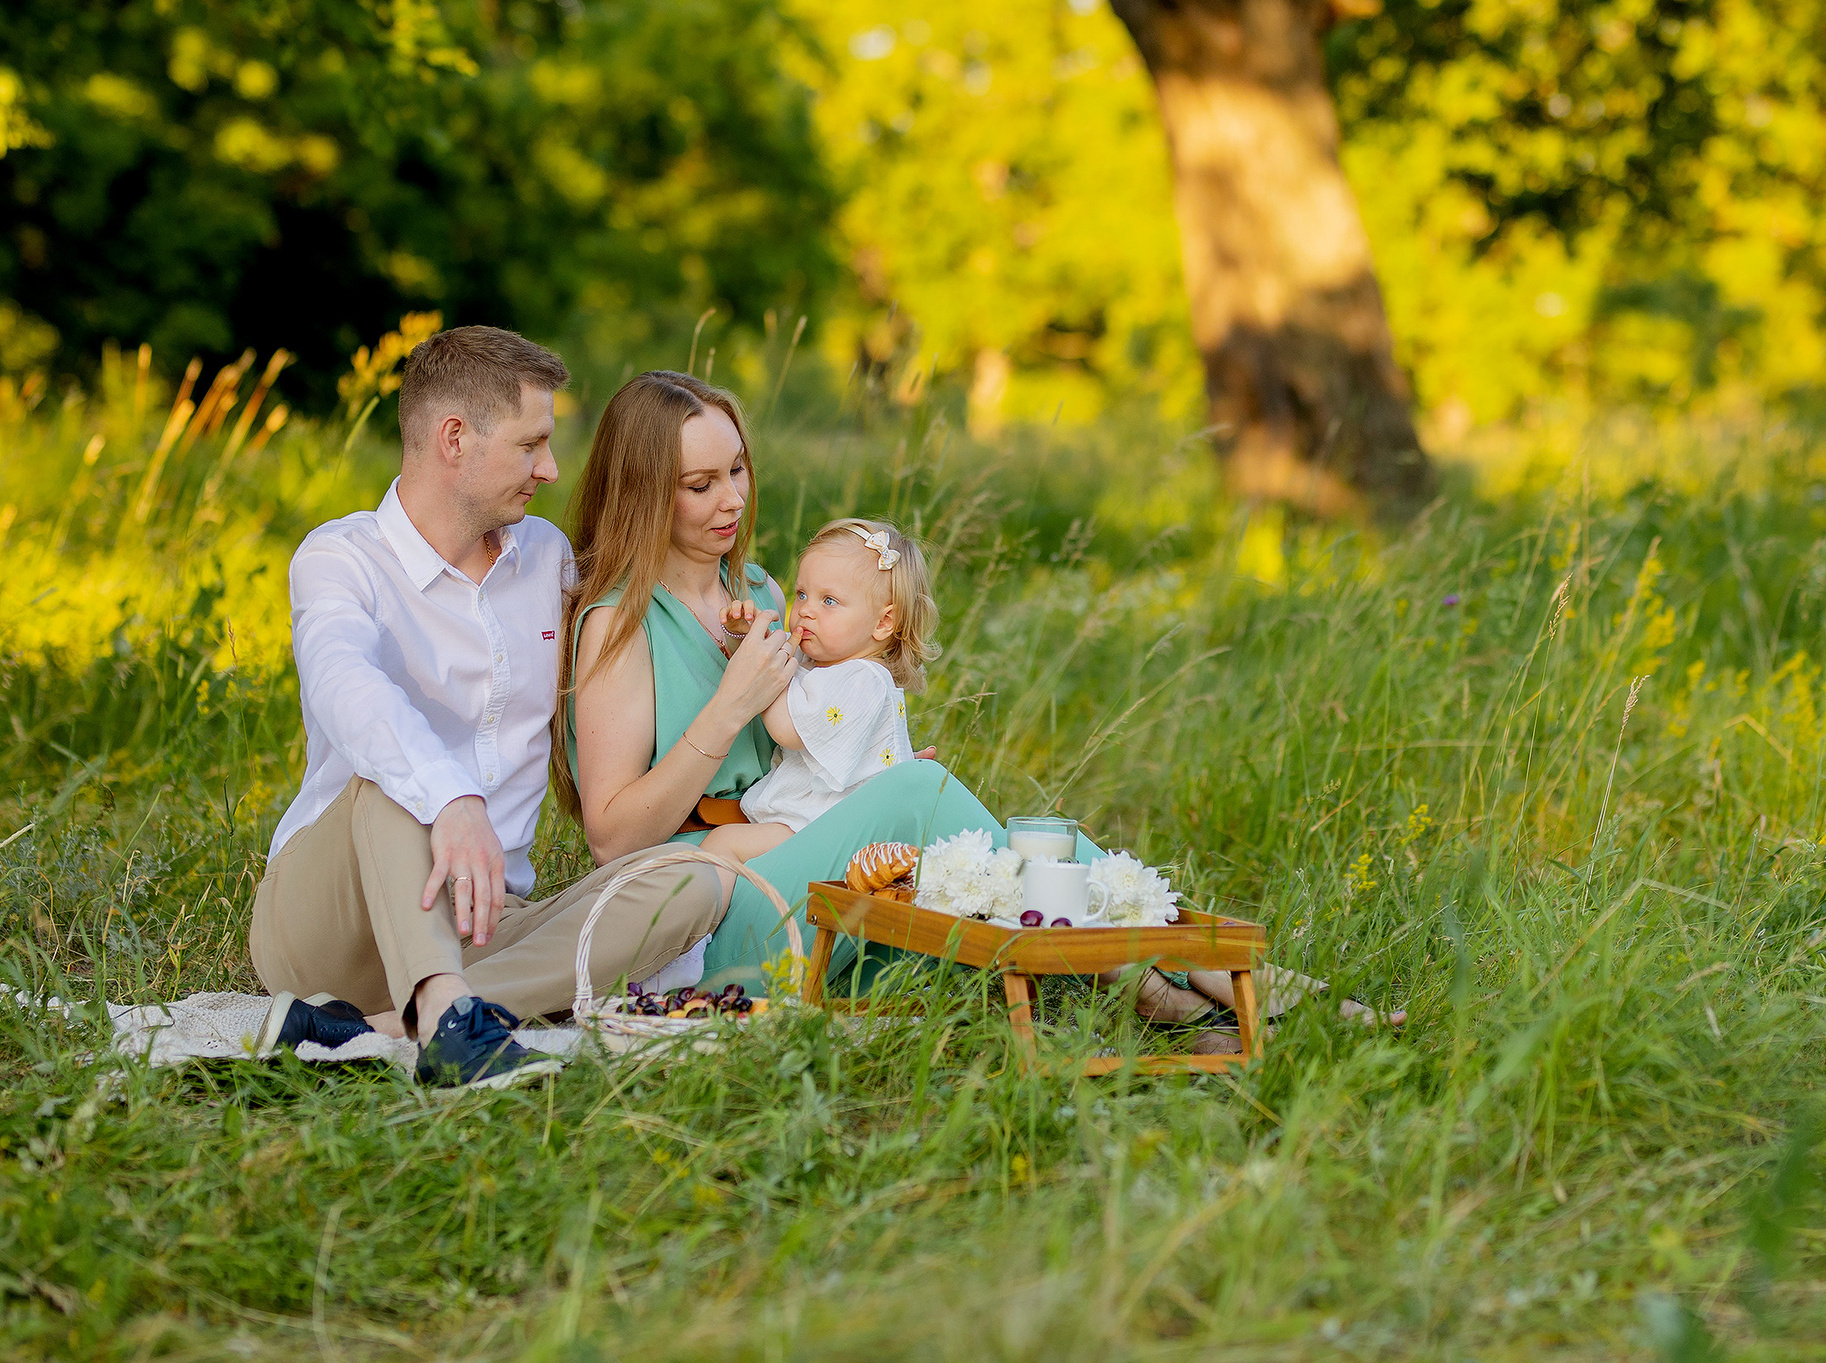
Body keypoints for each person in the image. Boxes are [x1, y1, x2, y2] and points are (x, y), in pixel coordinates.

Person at [556, 369, 1317, 1043]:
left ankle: (1179, 970)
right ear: (643, 490)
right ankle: (1191, 970)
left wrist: (864, 783)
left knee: (1011, 839)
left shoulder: (757, 592)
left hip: (798, 859)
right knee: (928, 804)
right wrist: (729, 707)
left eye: (738, 469)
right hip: (703, 912)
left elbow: (809, 741)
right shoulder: (617, 623)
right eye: (701, 484)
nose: (733, 498)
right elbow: (612, 841)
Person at [248, 327, 729, 1086]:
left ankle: (374, 1026)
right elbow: (346, 685)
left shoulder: (547, 559)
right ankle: (448, 1031)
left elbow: (642, 639)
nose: (551, 468)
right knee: (390, 778)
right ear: (453, 440)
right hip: (334, 925)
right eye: (531, 444)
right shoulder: (342, 559)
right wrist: (453, 797)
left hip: (486, 922)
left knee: (690, 882)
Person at [702, 518, 935, 872]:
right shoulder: (816, 662)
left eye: (829, 600)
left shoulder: (864, 680)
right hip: (808, 823)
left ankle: (707, 922)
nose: (805, 610)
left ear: (883, 623)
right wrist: (742, 637)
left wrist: (762, 666)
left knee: (723, 844)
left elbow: (786, 728)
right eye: (801, 594)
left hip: (832, 833)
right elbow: (756, 667)